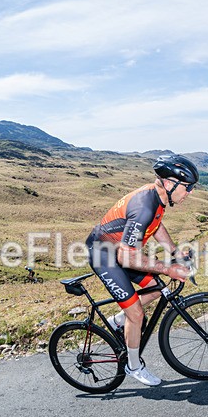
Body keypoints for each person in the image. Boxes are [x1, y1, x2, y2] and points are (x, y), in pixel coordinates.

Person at [86, 154, 196, 386]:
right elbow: (126, 256)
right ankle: (133, 366)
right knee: (136, 314)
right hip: (105, 256)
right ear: (169, 183)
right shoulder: (144, 205)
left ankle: (117, 321)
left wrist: (175, 253)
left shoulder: (157, 199)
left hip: (121, 253)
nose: (190, 192)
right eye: (187, 187)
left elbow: (156, 226)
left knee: (157, 288)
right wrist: (168, 268)